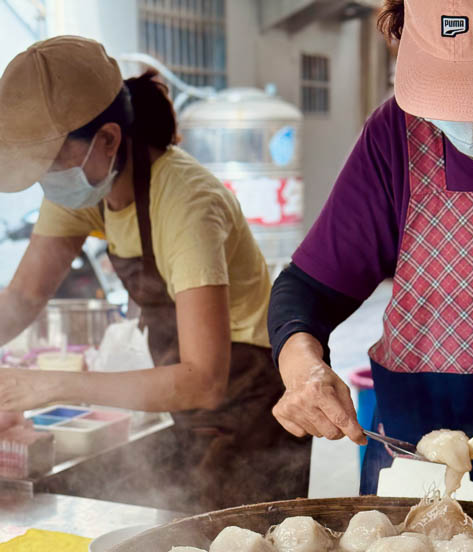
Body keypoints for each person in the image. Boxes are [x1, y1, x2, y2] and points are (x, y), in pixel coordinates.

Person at [268, 0, 473, 521]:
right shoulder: (397, 137)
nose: (466, 118)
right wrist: (302, 366)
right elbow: (306, 290)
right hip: (412, 488)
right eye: (448, 91)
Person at [0, 36, 310, 512]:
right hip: (188, 406)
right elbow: (23, 295)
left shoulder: (185, 202)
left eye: (50, 163)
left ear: (106, 141)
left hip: (252, 404)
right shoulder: (81, 190)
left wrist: (49, 384)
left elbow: (204, 380)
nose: (45, 180)